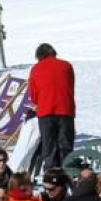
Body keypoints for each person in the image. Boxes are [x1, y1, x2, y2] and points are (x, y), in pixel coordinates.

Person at [27, 43, 76, 175]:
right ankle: (67, 173)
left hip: (45, 110)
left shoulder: (36, 69)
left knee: (49, 146)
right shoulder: (66, 65)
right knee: (65, 145)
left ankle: (50, 175)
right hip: (66, 109)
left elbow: (33, 94)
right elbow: (71, 86)